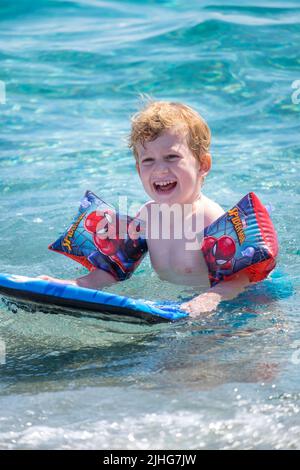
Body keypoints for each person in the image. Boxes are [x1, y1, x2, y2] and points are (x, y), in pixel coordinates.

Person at [40, 101, 250, 317]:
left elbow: (240, 279)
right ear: (139, 170)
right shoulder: (148, 216)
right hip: (182, 311)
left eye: (172, 157)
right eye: (148, 160)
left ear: (203, 165)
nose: (160, 169)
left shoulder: (210, 218)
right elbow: (111, 272)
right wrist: (73, 285)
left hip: (230, 309)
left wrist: (208, 299)